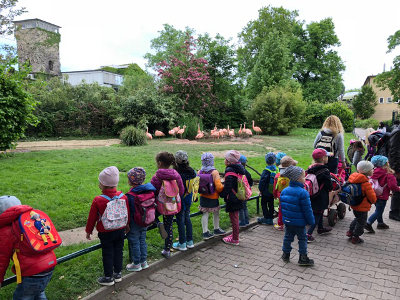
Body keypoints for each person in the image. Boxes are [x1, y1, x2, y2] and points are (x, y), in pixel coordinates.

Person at [0, 196, 57, 299]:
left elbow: (1, 259)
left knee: (22, 297)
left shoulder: (5, 231)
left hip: (32, 272)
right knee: (38, 292)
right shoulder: (29, 222)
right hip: (50, 264)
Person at [86, 166, 129, 285]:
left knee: (108, 253)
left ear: (103, 184)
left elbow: (92, 217)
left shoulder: (98, 200)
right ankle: (118, 274)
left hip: (105, 232)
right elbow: (127, 212)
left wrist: (89, 230)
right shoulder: (123, 197)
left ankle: (109, 277)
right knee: (118, 251)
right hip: (120, 229)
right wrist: (127, 224)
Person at [151, 151, 184, 259]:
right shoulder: (176, 175)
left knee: (152, 215)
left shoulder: (156, 177)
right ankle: (167, 250)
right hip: (172, 205)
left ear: (160, 163)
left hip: (159, 205)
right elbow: (181, 190)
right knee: (169, 226)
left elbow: (153, 192)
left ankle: (157, 223)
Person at [280, 166, 315, 266]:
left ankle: (285, 254)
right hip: (299, 223)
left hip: (288, 221)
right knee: (302, 239)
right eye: (304, 177)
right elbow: (307, 210)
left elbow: (283, 208)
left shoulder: (284, 191)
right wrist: (311, 221)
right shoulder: (303, 193)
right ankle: (303, 257)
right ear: (298, 178)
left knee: (287, 238)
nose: (305, 179)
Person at [125, 167, 156, 272]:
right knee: (142, 240)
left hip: (135, 222)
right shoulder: (148, 190)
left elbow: (129, 212)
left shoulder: (130, 195)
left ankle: (136, 263)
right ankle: (144, 261)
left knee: (134, 241)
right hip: (145, 220)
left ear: (130, 181)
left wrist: (127, 224)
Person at [365, 156, 400, 233]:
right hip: (382, 196)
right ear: (385, 164)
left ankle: (380, 223)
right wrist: (398, 188)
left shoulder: (373, 172)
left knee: (378, 209)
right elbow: (392, 186)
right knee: (379, 211)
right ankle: (368, 223)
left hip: (374, 194)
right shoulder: (388, 174)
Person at [306, 149, 333, 242]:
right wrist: (331, 189)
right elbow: (329, 185)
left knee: (319, 211)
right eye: (326, 156)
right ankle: (308, 234)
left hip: (312, 194)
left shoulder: (310, 168)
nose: (328, 158)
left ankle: (320, 228)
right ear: (323, 158)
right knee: (317, 214)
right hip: (321, 195)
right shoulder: (325, 170)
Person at [346, 161, 377, 244]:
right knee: (362, 222)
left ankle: (350, 231)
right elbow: (372, 197)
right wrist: (374, 201)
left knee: (357, 218)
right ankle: (356, 237)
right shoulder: (366, 183)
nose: (373, 170)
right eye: (372, 169)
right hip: (362, 207)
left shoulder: (353, 178)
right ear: (366, 171)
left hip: (354, 204)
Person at [173, 150, 197, 250]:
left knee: (180, 221)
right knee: (187, 219)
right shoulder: (193, 172)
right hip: (188, 199)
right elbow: (195, 186)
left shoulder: (176, 174)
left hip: (179, 201)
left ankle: (182, 243)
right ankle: (190, 241)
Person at [220, 150, 245, 245]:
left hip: (233, 198)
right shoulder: (239, 167)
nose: (224, 160)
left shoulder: (230, 170)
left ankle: (235, 239)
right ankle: (234, 235)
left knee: (234, 218)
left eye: (225, 159)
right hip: (238, 195)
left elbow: (228, 186)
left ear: (229, 161)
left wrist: (222, 194)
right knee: (235, 217)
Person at [198, 153, 225, 240]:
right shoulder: (214, 172)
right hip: (213, 197)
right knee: (216, 213)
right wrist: (223, 187)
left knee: (205, 214)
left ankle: (205, 232)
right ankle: (216, 229)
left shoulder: (200, 171)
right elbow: (218, 187)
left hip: (203, 196)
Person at [273, 156, 298, 231]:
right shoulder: (295, 175)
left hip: (282, 195)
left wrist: (275, 195)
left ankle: (280, 224)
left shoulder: (278, 175)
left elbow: (275, 187)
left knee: (281, 209)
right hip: (293, 195)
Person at [258, 152, 277, 225]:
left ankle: (266, 218)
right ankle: (271, 218)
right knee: (271, 204)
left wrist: (261, 189)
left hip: (266, 192)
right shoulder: (275, 169)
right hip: (272, 191)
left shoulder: (266, 171)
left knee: (264, 204)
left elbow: (262, 181)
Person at [238, 154, 253, 227]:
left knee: (240, 207)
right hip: (246, 192)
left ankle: (242, 221)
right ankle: (247, 220)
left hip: (240, 192)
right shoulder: (247, 172)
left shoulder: (239, 172)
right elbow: (251, 181)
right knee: (245, 207)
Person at [388, 126, 400, 221]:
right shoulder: (397, 132)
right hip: (398, 167)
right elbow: (394, 152)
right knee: (397, 190)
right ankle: (394, 212)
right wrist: (397, 169)